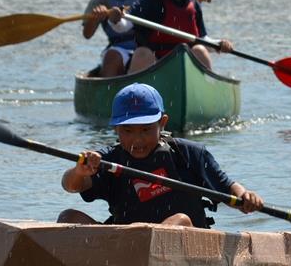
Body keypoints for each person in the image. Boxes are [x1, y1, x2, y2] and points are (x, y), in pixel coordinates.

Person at [58, 83, 263, 226]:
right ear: (116, 129)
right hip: (129, 245)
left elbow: (227, 187)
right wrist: (80, 170)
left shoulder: (189, 154)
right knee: (68, 218)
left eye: (146, 130)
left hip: (185, 240)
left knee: (179, 220)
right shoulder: (107, 160)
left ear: (162, 123)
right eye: (128, 131)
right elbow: (71, 185)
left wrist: (245, 197)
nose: (137, 140)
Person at [124, 0, 233, 73]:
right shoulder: (151, 1)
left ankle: (208, 91)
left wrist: (219, 44)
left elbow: (203, 39)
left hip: (184, 64)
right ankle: (135, 93)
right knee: (142, 53)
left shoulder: (194, 5)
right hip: (155, 65)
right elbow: (124, 25)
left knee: (200, 50)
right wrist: (115, 18)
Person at [82, 0, 148, 77]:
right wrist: (95, 17)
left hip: (148, 46)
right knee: (111, 57)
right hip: (119, 47)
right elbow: (87, 34)